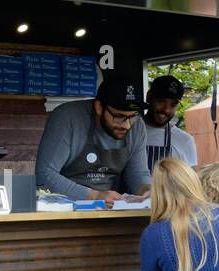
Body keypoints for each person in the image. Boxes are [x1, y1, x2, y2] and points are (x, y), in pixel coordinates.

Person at [35, 73, 151, 205]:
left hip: (108, 209)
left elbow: (138, 173)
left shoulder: (137, 126)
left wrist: (146, 190)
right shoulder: (67, 118)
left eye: (133, 116)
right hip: (62, 208)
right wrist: (93, 196)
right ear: (99, 107)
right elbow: (44, 175)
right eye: (119, 116)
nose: (127, 125)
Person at [144, 74, 197, 171]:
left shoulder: (185, 140)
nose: (167, 109)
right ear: (149, 97)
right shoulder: (128, 131)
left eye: (173, 104)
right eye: (161, 101)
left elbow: (191, 183)